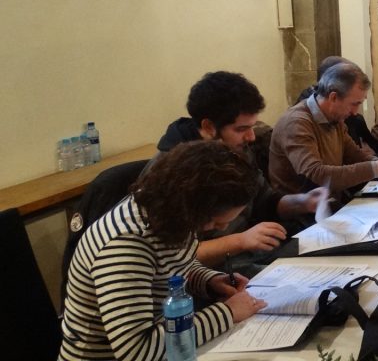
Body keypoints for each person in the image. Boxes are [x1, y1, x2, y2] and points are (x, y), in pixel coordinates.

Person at [60, 141, 267, 361]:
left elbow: (170, 267)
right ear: (194, 208)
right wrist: (227, 313)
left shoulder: (168, 214)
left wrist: (208, 280)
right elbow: (137, 351)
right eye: (216, 223)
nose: (223, 228)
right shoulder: (127, 244)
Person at [144, 71, 327, 268]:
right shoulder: (171, 172)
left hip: (252, 253)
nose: (251, 137)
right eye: (241, 129)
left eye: (251, 127)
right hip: (216, 269)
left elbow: (264, 200)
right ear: (208, 126)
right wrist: (240, 241)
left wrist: (302, 202)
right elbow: (169, 256)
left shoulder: (235, 150)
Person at [269, 62, 378, 198]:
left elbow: (356, 156)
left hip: (331, 203)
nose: (355, 112)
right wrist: (375, 168)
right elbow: (316, 174)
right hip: (304, 212)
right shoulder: (296, 123)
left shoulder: (335, 119)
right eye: (354, 104)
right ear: (333, 97)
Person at [296, 56, 378, 154]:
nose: (354, 112)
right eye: (349, 79)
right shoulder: (300, 122)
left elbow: (356, 155)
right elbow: (314, 166)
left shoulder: (340, 119)